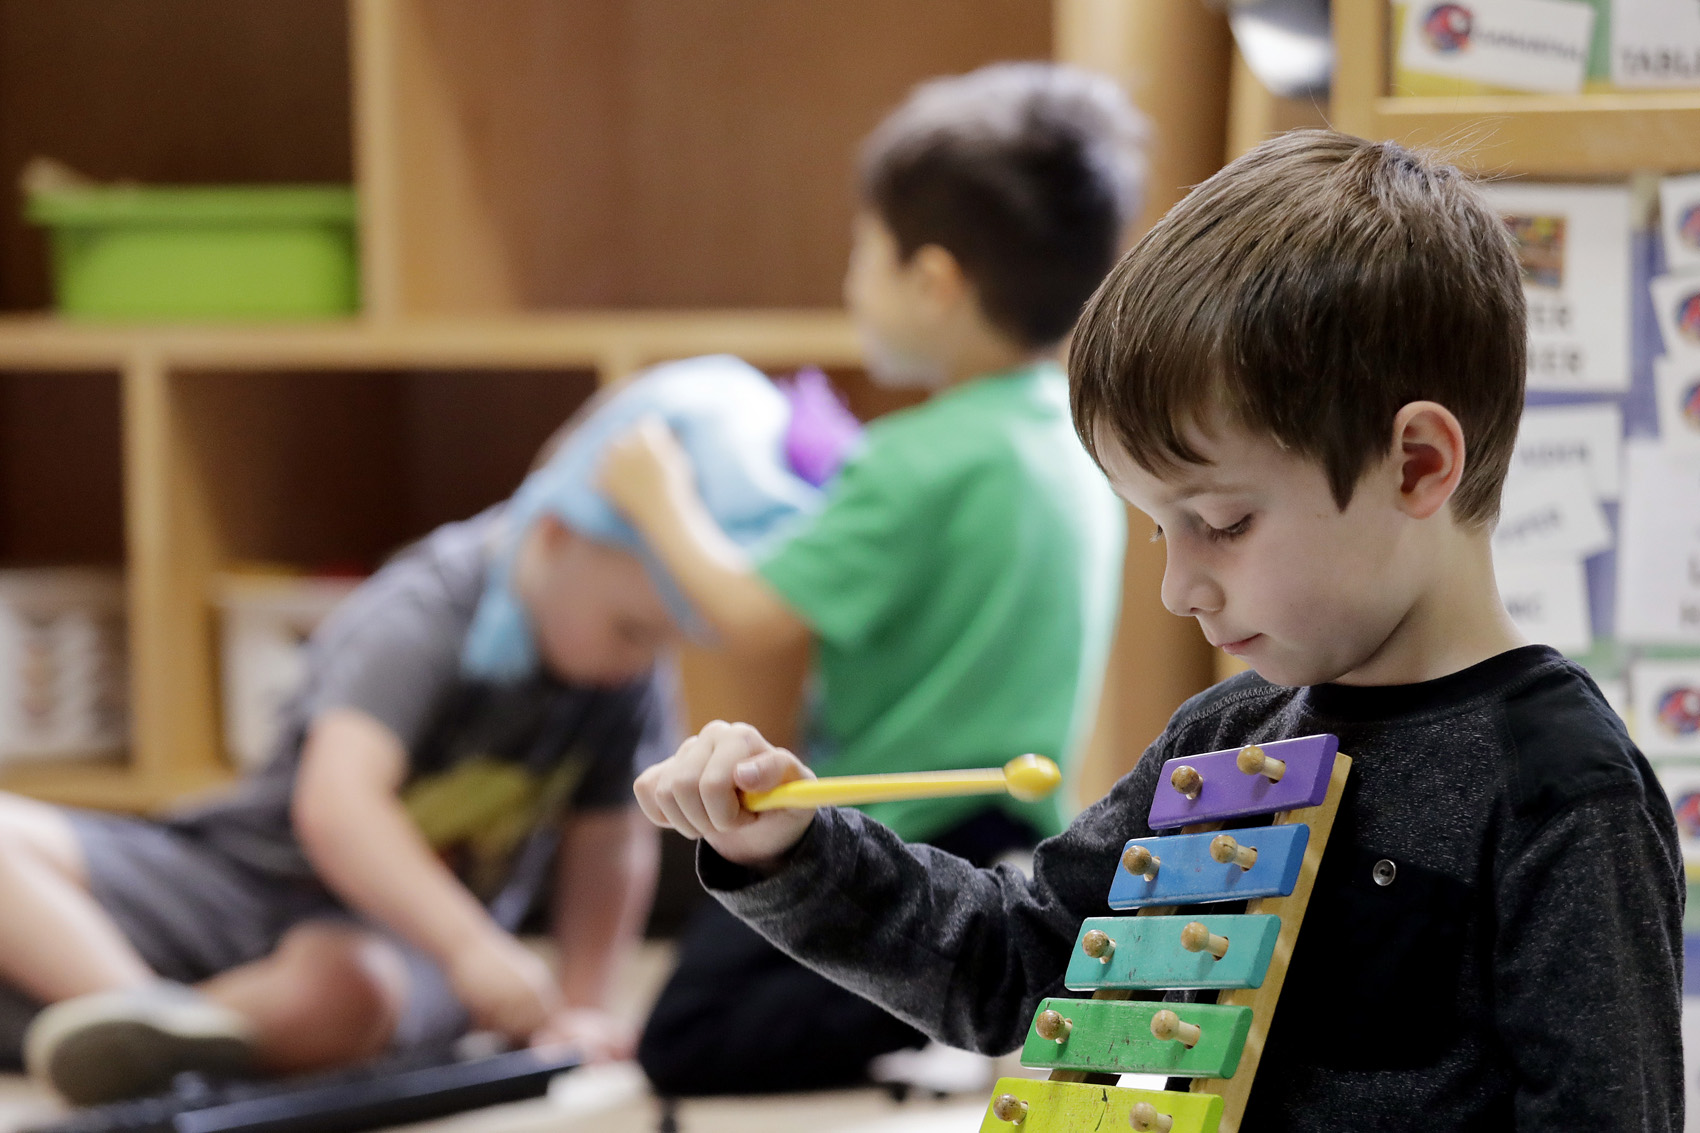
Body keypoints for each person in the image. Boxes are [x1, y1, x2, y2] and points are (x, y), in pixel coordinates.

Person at [632, 131, 1685, 1130]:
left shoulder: (1557, 789)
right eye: (1155, 531)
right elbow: (1016, 961)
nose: (1180, 585)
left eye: (1221, 522)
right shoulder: (1221, 742)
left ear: (1414, 463)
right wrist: (793, 849)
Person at [0, 355, 820, 1106]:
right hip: (237, 880)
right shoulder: (428, 608)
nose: (641, 660)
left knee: (349, 993)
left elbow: (611, 844)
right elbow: (338, 806)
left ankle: (161, 1036)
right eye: (633, 630)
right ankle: (136, 1016)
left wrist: (578, 1006)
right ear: (556, 535)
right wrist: (470, 946)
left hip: (386, 947)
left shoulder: (619, 674)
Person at [600, 62, 1145, 1094]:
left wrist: (656, 499)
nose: (851, 280)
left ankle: (971, 1016)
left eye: (863, 252)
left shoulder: (910, 462)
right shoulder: (1066, 440)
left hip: (899, 822)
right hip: (1015, 821)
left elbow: (742, 610)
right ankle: (996, 984)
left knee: (681, 1036)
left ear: (933, 281)